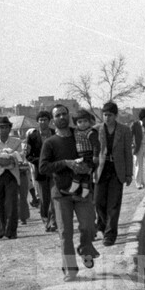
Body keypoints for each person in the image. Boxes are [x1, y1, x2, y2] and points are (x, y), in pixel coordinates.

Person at [38, 104, 99, 276]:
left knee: (88, 227)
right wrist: (65, 163)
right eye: (58, 115)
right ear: (52, 120)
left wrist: (88, 168)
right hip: (61, 193)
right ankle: (70, 269)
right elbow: (43, 168)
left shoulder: (80, 134)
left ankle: (85, 248)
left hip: (82, 191)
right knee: (65, 233)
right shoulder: (50, 143)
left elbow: (94, 153)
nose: (62, 118)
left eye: (64, 114)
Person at [94, 101, 133, 246]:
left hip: (117, 170)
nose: (107, 118)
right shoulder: (96, 130)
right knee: (98, 202)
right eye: (105, 115)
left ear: (115, 115)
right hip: (101, 170)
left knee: (114, 204)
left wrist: (129, 174)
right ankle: (103, 226)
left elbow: (127, 153)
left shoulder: (124, 130)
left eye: (110, 115)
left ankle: (110, 235)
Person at [24, 110, 57, 232]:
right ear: (37, 121)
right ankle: (46, 220)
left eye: (45, 120)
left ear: (49, 121)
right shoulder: (32, 137)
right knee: (44, 198)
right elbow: (28, 155)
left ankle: (53, 221)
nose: (43, 122)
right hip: (41, 171)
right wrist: (41, 161)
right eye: (40, 120)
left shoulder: (55, 133)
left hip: (55, 170)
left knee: (55, 196)